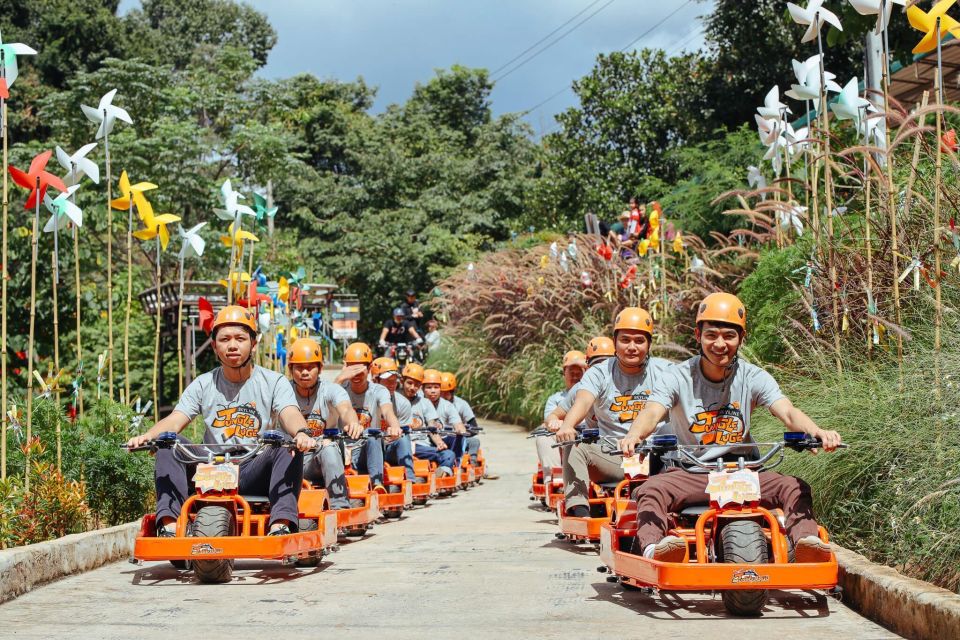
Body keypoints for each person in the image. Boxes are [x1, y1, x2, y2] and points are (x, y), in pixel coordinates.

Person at [618, 293, 843, 563]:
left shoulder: (753, 376)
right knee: (650, 489)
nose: (720, 344)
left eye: (729, 336)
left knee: (794, 486)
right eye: (711, 335)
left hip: (745, 472)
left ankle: (807, 542)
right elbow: (653, 411)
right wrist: (635, 434)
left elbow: (787, 411)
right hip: (694, 471)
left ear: (741, 338)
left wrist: (816, 432)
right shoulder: (676, 376)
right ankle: (657, 549)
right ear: (697, 335)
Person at [126, 305, 317, 536]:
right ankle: (169, 525)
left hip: (252, 469)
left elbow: (289, 412)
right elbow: (177, 419)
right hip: (210, 467)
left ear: (253, 344)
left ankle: (280, 525)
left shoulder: (274, 381)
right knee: (169, 442)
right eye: (225, 339)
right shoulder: (203, 383)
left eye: (240, 338)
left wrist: (301, 432)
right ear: (215, 347)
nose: (233, 345)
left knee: (286, 443)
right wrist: (148, 436)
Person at [555, 308, 672, 518]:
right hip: (615, 457)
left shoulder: (666, 371)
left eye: (639, 341)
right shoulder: (599, 372)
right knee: (574, 446)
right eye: (625, 340)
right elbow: (583, 400)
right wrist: (567, 425)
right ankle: (580, 510)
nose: (632, 347)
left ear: (649, 344)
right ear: (615, 342)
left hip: (660, 458)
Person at [287, 337, 363, 510]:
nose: (304, 372)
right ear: (291, 369)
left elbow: (345, 409)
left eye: (310, 367)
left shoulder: (331, 390)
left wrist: (353, 423)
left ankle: (339, 506)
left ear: (320, 368)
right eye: (299, 367)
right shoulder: (282, 390)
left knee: (328, 446)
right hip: (287, 460)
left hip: (317, 460)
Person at [335, 342, 409, 489]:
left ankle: (377, 484)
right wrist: (339, 378)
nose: (355, 374)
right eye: (351, 368)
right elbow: (326, 404)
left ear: (369, 369)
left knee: (372, 433)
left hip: (367, 450)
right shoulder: (338, 389)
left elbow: (388, 411)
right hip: (342, 451)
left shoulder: (379, 390)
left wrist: (395, 427)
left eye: (360, 369)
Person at [370, 356, 422, 485]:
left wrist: (394, 433)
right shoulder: (363, 399)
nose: (392, 385)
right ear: (375, 380)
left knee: (404, 438)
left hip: (389, 447)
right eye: (387, 381)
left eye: (394, 381)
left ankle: (410, 480)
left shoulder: (403, 403)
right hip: (367, 447)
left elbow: (402, 431)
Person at [399, 362, 456, 477]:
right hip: (402, 445)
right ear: (402, 381)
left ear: (420, 386)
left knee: (448, 454)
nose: (412, 388)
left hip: (422, 446)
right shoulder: (393, 400)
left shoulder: (425, 403)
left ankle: (441, 475)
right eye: (409, 383)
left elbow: (432, 427)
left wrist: (439, 442)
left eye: (416, 385)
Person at [537, 350, 587, 477]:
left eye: (579, 373)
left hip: (588, 434)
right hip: (563, 435)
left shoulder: (592, 394)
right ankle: (555, 478)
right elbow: (550, 420)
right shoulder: (555, 399)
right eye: (571, 373)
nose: (575, 376)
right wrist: (555, 423)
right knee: (544, 437)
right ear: (564, 373)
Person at [422, 368, 467, 463]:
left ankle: (456, 462)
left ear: (440, 389)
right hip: (423, 441)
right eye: (429, 387)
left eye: (436, 387)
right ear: (422, 389)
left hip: (442, 439)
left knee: (457, 437)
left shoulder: (448, 406)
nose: (433, 391)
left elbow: (457, 423)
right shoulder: (417, 403)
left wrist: (460, 429)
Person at [439, 372, 481, 464]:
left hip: (457, 437)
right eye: (441, 392)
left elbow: (474, 427)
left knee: (474, 442)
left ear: (452, 391)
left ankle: (472, 461)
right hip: (438, 438)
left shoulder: (461, 404)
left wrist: (461, 431)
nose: (443, 396)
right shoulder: (432, 403)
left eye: (446, 393)